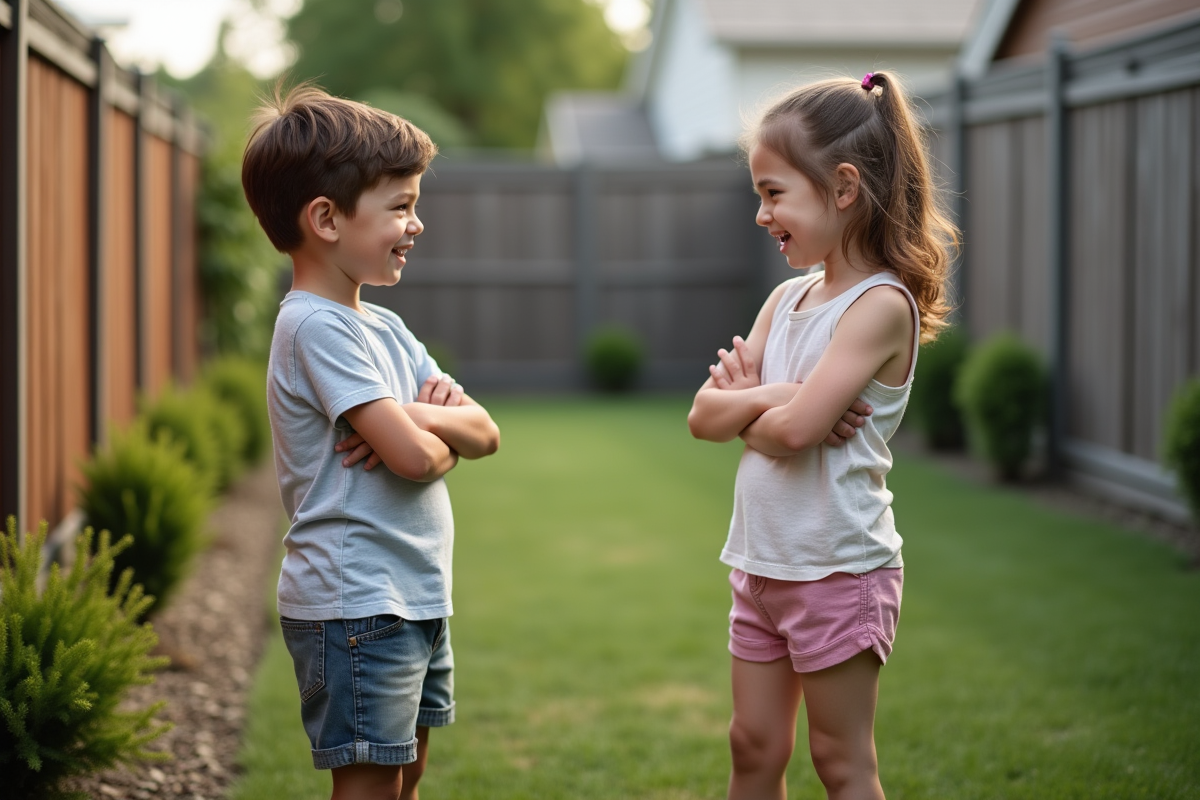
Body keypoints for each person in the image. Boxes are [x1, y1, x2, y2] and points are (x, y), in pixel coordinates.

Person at [687, 71, 958, 800]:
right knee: (752, 746)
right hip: (763, 563)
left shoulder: (880, 306)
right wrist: (777, 400)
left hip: (838, 570)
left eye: (774, 193)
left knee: (840, 761)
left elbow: (797, 432)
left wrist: (762, 407)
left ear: (842, 188)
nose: (759, 213)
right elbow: (703, 418)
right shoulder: (787, 296)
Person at [242, 84, 500, 800]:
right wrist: (418, 430)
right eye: (400, 206)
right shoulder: (313, 326)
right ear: (326, 218)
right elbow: (418, 461)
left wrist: (411, 420)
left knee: (406, 771)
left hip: (413, 595)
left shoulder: (382, 327)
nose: (416, 224)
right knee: (370, 782)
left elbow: (484, 432)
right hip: (356, 603)